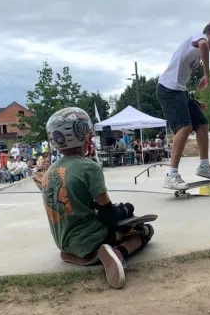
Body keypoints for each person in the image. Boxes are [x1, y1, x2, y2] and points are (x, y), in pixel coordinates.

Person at [40, 107, 154, 289]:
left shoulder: (49, 172)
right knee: (145, 231)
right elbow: (108, 214)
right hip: (90, 239)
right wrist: (126, 210)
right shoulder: (89, 167)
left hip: (64, 243)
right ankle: (118, 253)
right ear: (83, 136)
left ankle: (74, 255)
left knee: (111, 222)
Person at [156, 21, 210, 190]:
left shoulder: (194, 51)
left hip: (180, 91)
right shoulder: (200, 38)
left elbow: (181, 79)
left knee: (202, 122)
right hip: (168, 89)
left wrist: (193, 101)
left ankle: (204, 165)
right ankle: (171, 175)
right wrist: (206, 75)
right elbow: (203, 44)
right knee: (185, 127)